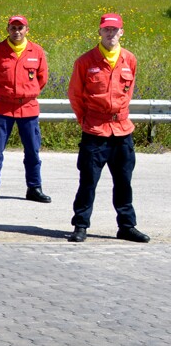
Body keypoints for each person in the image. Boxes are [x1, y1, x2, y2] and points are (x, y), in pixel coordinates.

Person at [68, 13, 148, 243]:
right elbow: (75, 94)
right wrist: (85, 120)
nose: (111, 33)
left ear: (121, 32)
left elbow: (128, 91)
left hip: (122, 130)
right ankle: (80, 226)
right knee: (88, 182)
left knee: (123, 182)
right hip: (95, 130)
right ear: (100, 32)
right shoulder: (85, 61)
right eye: (106, 30)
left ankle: (127, 226)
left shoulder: (129, 59)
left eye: (115, 29)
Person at [0, 15, 51, 203]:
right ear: (8, 29)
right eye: (13, 28)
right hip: (3, 107)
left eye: (20, 28)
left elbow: (42, 77)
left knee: (32, 150)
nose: (17, 31)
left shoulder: (36, 51)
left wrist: (28, 92)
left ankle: (34, 187)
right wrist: (3, 92)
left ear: (27, 30)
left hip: (28, 107)